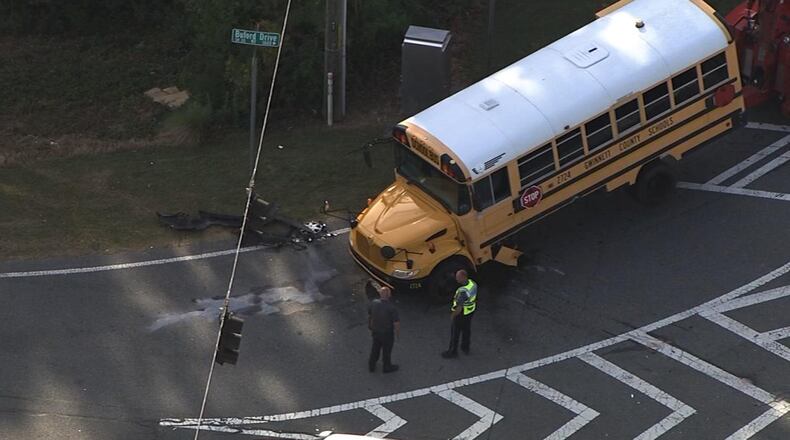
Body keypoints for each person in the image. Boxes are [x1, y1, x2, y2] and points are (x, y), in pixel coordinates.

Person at [441, 269, 477, 358]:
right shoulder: (472, 284)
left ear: (463, 277)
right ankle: (465, 347)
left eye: (458, 277)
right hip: (470, 311)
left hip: (461, 314)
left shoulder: (462, 292)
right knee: (466, 330)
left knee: (455, 333)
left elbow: (459, 308)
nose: (456, 279)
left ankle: (453, 352)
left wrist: (453, 315)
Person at [368, 285, 400, 373]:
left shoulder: (374, 303)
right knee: (387, 350)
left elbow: (371, 316)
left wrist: (370, 326)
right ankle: (387, 366)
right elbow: (396, 323)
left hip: (376, 331)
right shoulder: (391, 308)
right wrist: (397, 334)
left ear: (380, 294)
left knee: (375, 348)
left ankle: (372, 364)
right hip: (387, 333)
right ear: (389, 295)